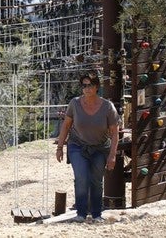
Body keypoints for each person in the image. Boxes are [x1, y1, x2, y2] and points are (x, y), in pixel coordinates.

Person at [56, 72, 120, 223]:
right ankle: (81, 212)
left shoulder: (107, 106)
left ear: (96, 87)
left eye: (89, 85)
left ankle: (97, 213)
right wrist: (60, 147)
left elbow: (115, 133)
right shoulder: (75, 103)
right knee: (82, 177)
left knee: (96, 180)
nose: (86, 89)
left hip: (100, 147)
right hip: (77, 145)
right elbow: (66, 126)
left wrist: (112, 155)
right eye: (84, 86)